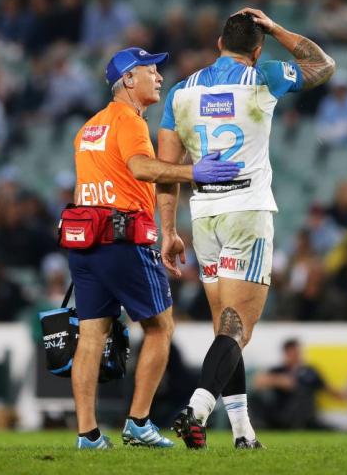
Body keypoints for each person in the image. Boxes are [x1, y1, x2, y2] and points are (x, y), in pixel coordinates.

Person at [156, 8, 335, 449]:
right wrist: (277, 28)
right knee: (239, 328)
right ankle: (195, 408)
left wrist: (168, 230)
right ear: (256, 50)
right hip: (247, 213)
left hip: (204, 218)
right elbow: (323, 65)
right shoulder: (262, 77)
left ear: (219, 44)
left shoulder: (181, 92)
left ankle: (242, 433)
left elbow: (165, 172)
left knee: (224, 325)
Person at [68, 47, 241, 449]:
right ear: (128, 80)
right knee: (161, 328)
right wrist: (193, 171)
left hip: (85, 241)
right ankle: (138, 423)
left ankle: (88, 434)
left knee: (92, 336)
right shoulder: (129, 121)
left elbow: (82, 189)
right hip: (124, 240)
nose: (159, 76)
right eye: (150, 70)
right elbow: (142, 168)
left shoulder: (88, 128)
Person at [252, 339, 346, 429]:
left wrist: (344, 395)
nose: (296, 355)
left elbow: (327, 389)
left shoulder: (310, 370)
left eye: (297, 351)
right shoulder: (278, 370)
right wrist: (280, 381)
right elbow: (258, 382)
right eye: (292, 351)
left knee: (303, 394)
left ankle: (299, 425)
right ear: (286, 353)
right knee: (254, 399)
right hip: (281, 411)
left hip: (304, 414)